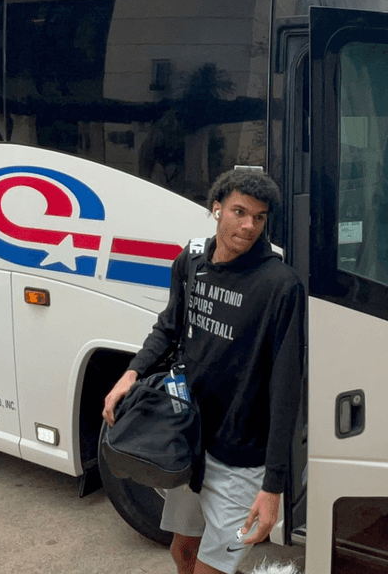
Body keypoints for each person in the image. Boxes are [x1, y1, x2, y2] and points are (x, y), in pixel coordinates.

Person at [102, 170, 304, 574]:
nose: (249, 226)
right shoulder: (192, 260)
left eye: (259, 218)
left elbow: (286, 391)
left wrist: (273, 487)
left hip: (241, 460)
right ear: (217, 209)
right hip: (190, 441)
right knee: (184, 554)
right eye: (239, 212)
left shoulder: (280, 286)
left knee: (212, 569)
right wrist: (132, 373)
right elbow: (170, 325)